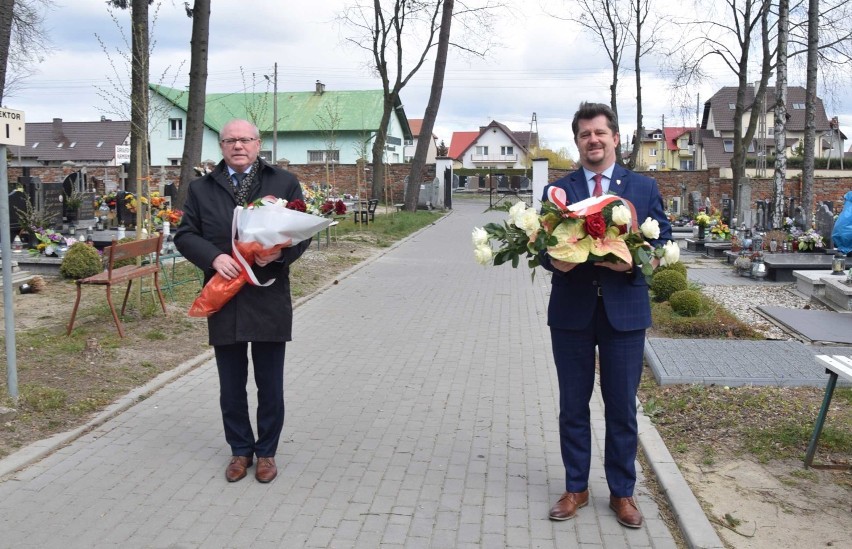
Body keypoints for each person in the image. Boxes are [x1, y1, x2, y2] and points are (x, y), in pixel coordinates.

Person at [540, 102, 672, 528]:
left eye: (600, 133)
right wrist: (552, 260)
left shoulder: (643, 188)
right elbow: (541, 244)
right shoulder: (558, 192)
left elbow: (663, 245)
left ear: (616, 138)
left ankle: (623, 493)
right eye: (584, 135)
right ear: (577, 141)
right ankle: (575, 487)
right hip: (571, 313)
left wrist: (634, 263)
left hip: (625, 314)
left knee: (621, 409)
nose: (592, 140)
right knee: (573, 407)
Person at [174, 119, 311, 483]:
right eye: (231, 140)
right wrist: (213, 257)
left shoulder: (282, 182)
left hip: (267, 293)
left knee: (270, 383)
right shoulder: (201, 188)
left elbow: (301, 233)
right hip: (224, 294)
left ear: (257, 143)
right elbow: (185, 234)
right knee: (230, 384)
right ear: (221, 146)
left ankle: (266, 453)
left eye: (245, 139)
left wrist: (278, 256)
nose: (238, 145)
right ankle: (239, 451)